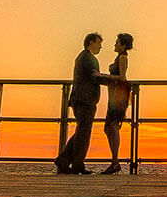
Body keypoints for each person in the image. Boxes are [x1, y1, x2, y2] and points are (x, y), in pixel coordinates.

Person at [54, 32, 114, 174]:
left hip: (80, 98)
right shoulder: (89, 58)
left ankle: (63, 161)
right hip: (85, 99)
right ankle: (77, 164)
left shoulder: (83, 57)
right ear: (91, 43)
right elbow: (96, 78)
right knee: (84, 133)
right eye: (99, 43)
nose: (100, 47)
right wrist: (114, 81)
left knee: (81, 131)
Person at [100, 33, 134, 174]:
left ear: (123, 45)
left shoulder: (123, 57)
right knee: (109, 127)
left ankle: (115, 162)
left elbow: (122, 77)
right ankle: (115, 161)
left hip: (118, 97)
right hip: (115, 96)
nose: (115, 45)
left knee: (112, 126)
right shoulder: (119, 57)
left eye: (117, 43)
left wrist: (103, 76)